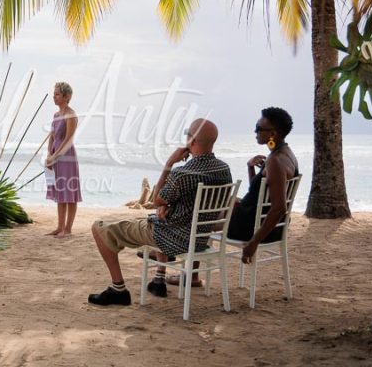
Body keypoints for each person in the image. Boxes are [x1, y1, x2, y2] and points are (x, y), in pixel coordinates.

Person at [88, 119, 232, 306]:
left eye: (187, 134)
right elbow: (187, 202)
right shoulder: (224, 170)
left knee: (99, 228)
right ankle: (158, 278)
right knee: (158, 216)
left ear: (192, 141)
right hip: (199, 239)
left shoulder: (183, 174)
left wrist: (169, 163)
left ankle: (118, 289)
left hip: (173, 238)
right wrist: (167, 206)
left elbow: (156, 199)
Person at [227, 107, 298, 264]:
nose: (255, 132)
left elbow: (279, 207)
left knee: (203, 213)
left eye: (258, 129)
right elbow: (257, 192)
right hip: (260, 220)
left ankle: (190, 273)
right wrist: (250, 168)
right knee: (224, 200)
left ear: (273, 134)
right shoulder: (287, 154)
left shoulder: (275, 161)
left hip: (251, 228)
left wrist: (254, 242)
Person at [45, 82, 82, 238]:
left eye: (57, 94)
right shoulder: (56, 115)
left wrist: (56, 155)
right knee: (60, 191)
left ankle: (68, 229)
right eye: (54, 94)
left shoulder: (71, 115)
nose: (54, 96)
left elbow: (68, 140)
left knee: (70, 192)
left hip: (67, 157)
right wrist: (49, 154)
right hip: (55, 156)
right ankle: (60, 227)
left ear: (67, 97)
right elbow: (52, 137)